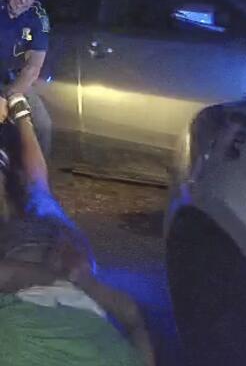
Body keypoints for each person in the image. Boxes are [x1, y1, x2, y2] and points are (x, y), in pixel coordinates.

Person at [0, 93, 154, 365]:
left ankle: (18, 117)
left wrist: (52, 275)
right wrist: (82, 280)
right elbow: (135, 322)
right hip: (72, 273)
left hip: (26, 280)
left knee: (23, 199)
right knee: (38, 194)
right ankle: (20, 114)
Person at [0, 0, 52, 155]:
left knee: (43, 126)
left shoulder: (39, 17)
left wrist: (6, 98)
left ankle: (37, 181)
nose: (24, 0)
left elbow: (33, 67)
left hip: (15, 82)